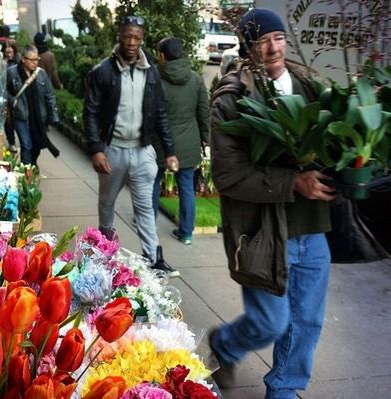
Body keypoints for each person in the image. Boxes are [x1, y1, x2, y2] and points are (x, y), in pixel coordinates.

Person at [208, 8, 337, 398]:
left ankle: (282, 390)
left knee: (307, 322)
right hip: (262, 231)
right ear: (248, 49)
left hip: (312, 228)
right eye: (262, 40)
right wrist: (291, 182)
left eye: (278, 37)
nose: (272, 47)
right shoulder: (232, 100)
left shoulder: (311, 86)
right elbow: (227, 175)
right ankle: (226, 344)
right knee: (271, 323)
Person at [83, 15, 179, 276]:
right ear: (120, 36)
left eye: (137, 37)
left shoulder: (151, 72)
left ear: (142, 39)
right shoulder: (103, 71)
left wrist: (169, 151)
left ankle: (153, 257)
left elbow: (160, 112)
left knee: (146, 206)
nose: (132, 42)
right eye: (127, 36)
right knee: (107, 202)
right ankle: (104, 252)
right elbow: (90, 112)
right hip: (112, 150)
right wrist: (96, 149)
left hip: (142, 151)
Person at [152, 36, 210, 245]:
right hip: (188, 141)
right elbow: (203, 112)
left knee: (153, 182)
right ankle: (186, 232)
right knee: (186, 186)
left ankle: (148, 226)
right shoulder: (195, 78)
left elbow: (148, 113)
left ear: (162, 55)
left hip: (160, 141)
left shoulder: (155, 78)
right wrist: (205, 138)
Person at [6, 44, 60, 165]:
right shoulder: (12, 73)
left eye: (37, 59)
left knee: (37, 144)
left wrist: (53, 116)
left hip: (39, 116)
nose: (35, 63)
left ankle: (32, 163)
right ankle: (26, 172)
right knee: (26, 144)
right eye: (32, 60)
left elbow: (49, 96)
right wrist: (12, 101)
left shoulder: (41, 74)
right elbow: (2, 90)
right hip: (20, 114)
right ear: (23, 59)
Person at [3, 40, 20, 152]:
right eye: (7, 52)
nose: (9, 54)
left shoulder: (19, 63)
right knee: (8, 122)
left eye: (11, 52)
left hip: (18, 95)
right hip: (6, 96)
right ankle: (11, 142)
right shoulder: (2, 63)